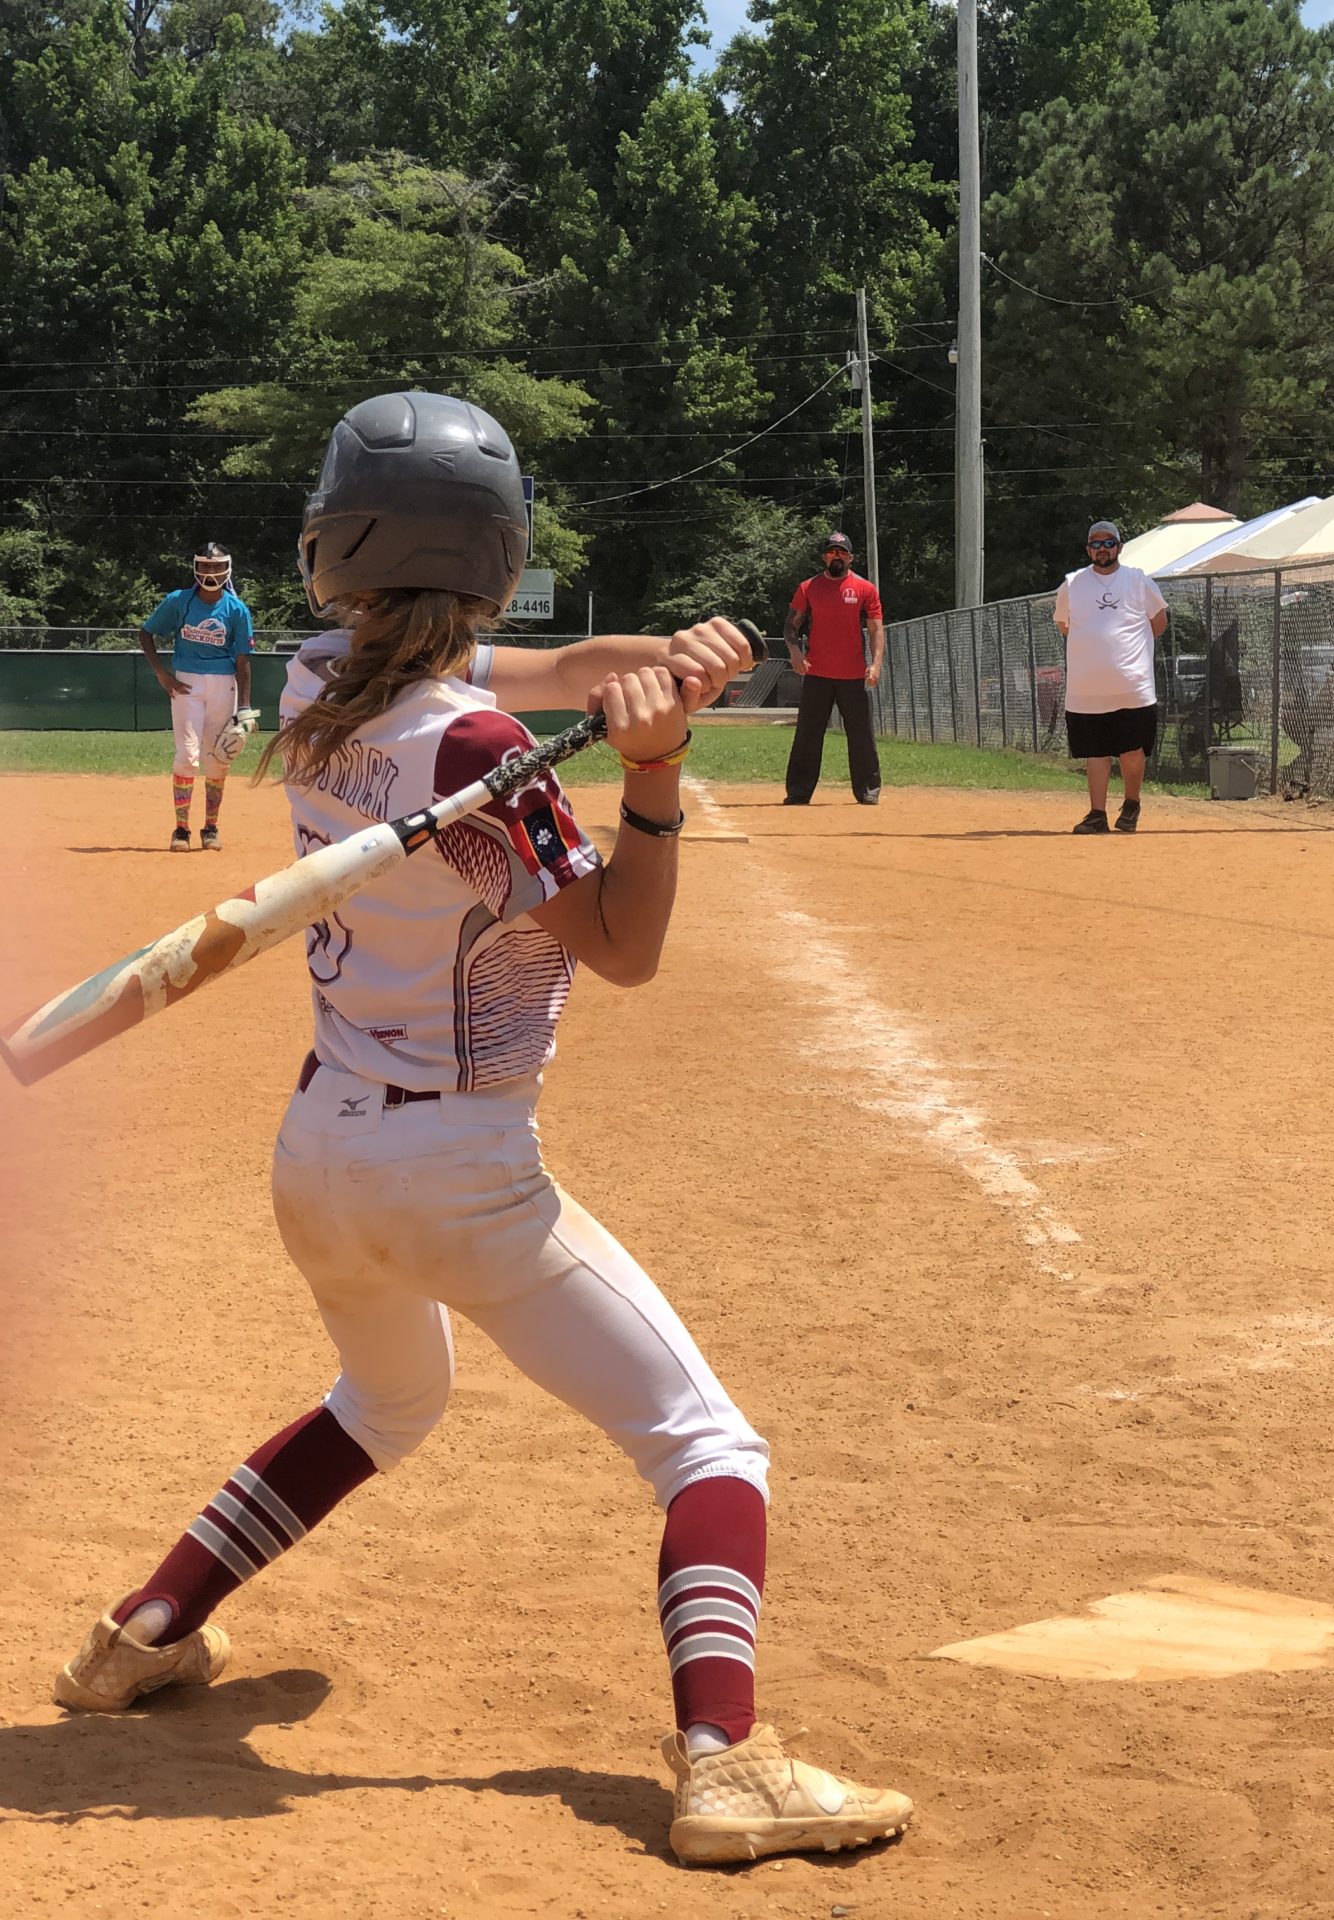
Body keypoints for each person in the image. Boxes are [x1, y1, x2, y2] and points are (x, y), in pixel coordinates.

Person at [50, 391, 913, 1869]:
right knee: (708, 1446)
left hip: (321, 1151)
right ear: (498, 558)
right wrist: (654, 776)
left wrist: (670, 659)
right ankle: (727, 1764)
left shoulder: (320, 674)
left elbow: (561, 669)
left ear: (337, 550)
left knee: (385, 1405)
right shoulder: (479, 753)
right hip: (458, 1169)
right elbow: (623, 946)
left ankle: (140, 1631)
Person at [1053, 519, 1168, 833]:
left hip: (1133, 687)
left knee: (1132, 750)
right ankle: (1097, 814)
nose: (1102, 549)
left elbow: (1159, 623)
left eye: (1108, 543)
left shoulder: (1138, 581)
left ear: (1119, 547)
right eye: (1096, 544)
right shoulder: (1072, 584)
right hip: (1087, 690)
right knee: (1096, 752)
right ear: (1088, 549)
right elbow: (1064, 625)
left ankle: (1131, 806)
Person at [139, 542, 255, 852]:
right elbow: (146, 633)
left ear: (227, 568)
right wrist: (162, 674)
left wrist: (245, 707)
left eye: (216, 566)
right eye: (205, 566)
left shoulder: (236, 609)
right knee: (187, 756)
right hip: (186, 684)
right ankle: (181, 830)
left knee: (217, 760)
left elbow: (243, 661)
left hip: (224, 685)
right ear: (195, 567)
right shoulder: (180, 601)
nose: (210, 572)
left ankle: (211, 828)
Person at [782, 531, 887, 807]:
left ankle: (868, 789)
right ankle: (798, 791)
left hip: (853, 675)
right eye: (831, 552)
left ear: (851, 558)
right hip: (817, 674)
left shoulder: (865, 589)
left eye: (841, 552)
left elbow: (876, 629)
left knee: (861, 735)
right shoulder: (808, 588)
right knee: (808, 734)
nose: (836, 556)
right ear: (824, 557)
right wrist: (795, 653)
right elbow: (791, 625)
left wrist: (876, 664)